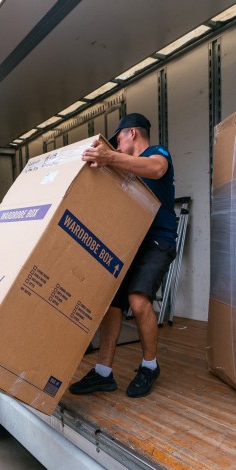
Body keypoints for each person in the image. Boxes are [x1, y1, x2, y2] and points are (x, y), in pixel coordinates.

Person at [68, 113, 177, 398]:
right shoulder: (124, 168)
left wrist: (110, 158)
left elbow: (156, 169)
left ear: (132, 133)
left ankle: (150, 366)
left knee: (138, 300)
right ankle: (103, 373)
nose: (116, 147)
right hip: (130, 243)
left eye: (118, 140)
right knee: (111, 304)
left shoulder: (157, 154)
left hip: (157, 242)